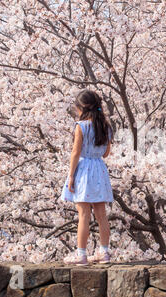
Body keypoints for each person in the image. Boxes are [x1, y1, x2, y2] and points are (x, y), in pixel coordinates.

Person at [60, 89, 114, 265]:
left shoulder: (81, 126)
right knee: (101, 215)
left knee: (83, 214)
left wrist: (70, 176)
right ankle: (104, 253)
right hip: (99, 170)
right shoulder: (106, 126)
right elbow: (106, 153)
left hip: (83, 170)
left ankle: (81, 254)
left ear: (81, 108)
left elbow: (75, 152)